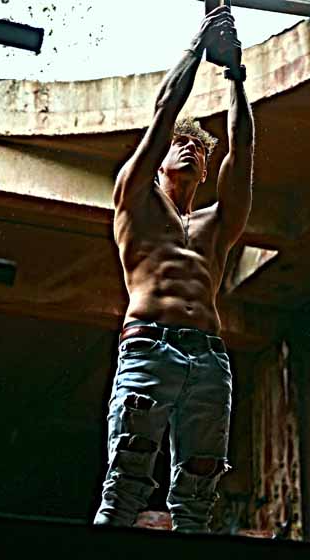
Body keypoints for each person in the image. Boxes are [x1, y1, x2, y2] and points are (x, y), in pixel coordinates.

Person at [94, 6, 254, 532]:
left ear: (205, 171)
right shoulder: (134, 199)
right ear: (160, 160)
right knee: (125, 486)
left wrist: (235, 74)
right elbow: (166, 111)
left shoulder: (218, 223)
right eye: (179, 145)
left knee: (197, 501)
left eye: (197, 150)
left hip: (208, 357)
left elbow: (243, 148)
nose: (187, 150)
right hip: (149, 346)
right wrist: (199, 44)